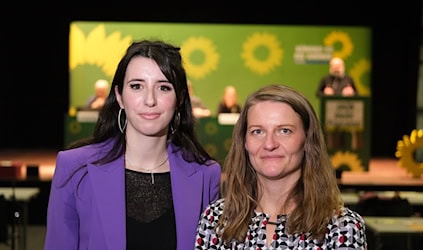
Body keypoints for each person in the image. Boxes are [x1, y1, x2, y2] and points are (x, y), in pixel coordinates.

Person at [45, 40, 222, 250]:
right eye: (137, 86)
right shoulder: (74, 168)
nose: (150, 100)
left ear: (180, 99)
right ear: (119, 96)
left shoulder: (205, 175)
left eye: (164, 87)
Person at [195, 84, 367, 249]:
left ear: (307, 139)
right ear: (244, 142)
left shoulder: (342, 227)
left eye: (284, 131)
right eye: (258, 131)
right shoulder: (216, 219)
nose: (269, 144)